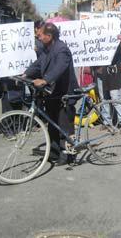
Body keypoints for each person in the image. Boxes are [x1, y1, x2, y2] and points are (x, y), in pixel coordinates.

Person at [24, 22, 79, 165]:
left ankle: (67, 156)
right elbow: (38, 64)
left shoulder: (62, 49)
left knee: (64, 126)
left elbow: (60, 67)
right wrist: (25, 74)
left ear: (49, 36)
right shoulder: (47, 49)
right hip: (52, 92)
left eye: (40, 35)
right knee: (52, 124)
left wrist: (45, 80)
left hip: (64, 93)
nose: (38, 37)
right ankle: (54, 152)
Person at [96, 35, 121, 132]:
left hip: (112, 74)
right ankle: (107, 121)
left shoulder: (115, 41)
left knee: (115, 99)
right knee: (104, 99)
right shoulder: (97, 40)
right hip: (100, 74)